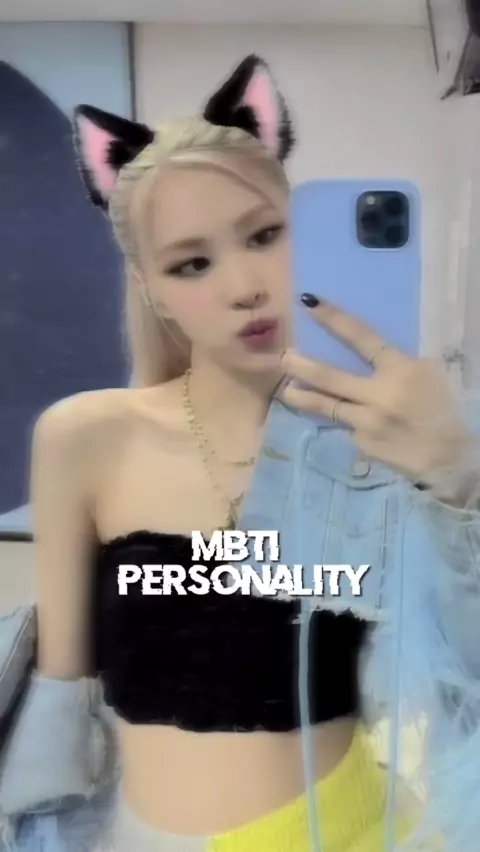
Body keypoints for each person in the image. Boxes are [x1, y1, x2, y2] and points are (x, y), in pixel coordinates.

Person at [0, 54, 480, 852]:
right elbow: (59, 704)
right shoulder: (87, 437)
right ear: (151, 288)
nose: (244, 286)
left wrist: (460, 484)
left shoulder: (385, 440)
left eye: (265, 235)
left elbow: (462, 681)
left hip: (349, 832)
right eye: (192, 263)